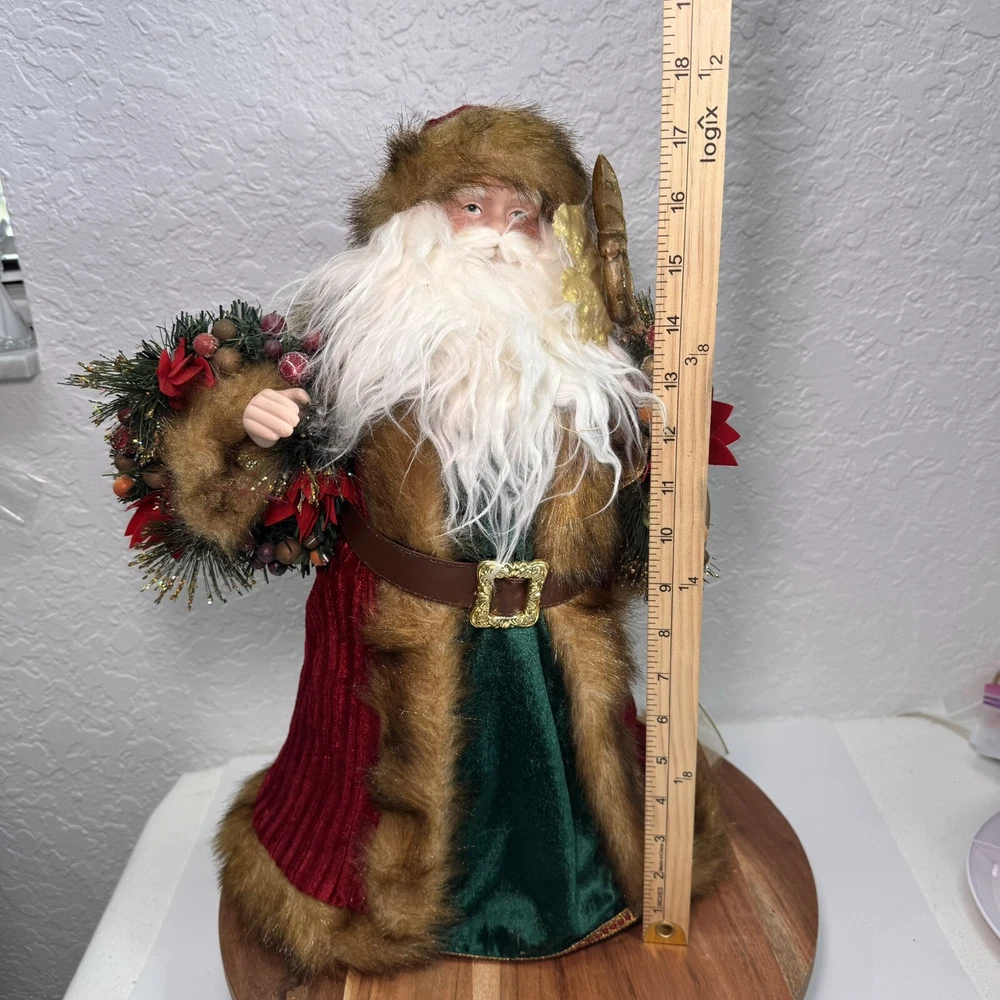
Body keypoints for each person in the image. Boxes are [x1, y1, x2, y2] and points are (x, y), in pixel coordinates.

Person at [161, 104, 725, 980]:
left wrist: (652, 449)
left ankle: (570, 888)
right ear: (417, 222)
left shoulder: (592, 357)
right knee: (382, 776)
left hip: (551, 645)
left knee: (567, 775)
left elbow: (640, 523)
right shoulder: (357, 348)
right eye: (472, 207)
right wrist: (248, 420)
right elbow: (232, 486)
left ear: (554, 237)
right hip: (395, 629)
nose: (497, 234)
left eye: (522, 214)